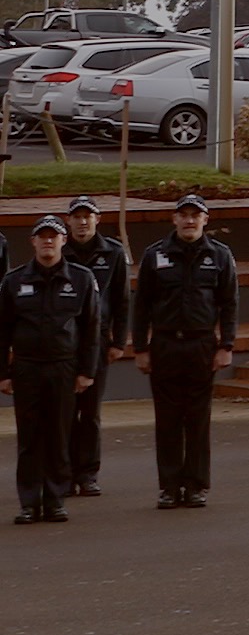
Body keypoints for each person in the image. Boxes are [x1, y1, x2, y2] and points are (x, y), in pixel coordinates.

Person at [129, 195, 239, 509]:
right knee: (167, 420)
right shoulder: (155, 255)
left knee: (197, 419)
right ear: (174, 219)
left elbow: (229, 303)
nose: (189, 221)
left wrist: (226, 345)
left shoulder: (219, 256)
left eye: (196, 215)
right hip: (164, 345)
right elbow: (142, 306)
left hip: (201, 345)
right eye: (184, 215)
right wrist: (140, 348)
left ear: (206, 220)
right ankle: (169, 486)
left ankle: (195, 485)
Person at [4, 219, 102, 525]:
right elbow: (1, 330)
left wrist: (86, 371)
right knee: (30, 438)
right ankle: (30, 502)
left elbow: (91, 330)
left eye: (54, 236)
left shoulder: (82, 279)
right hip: (27, 368)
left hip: (63, 366)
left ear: (63, 241)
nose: (48, 242)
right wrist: (3, 373)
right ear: (33, 242)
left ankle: (56, 499)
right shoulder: (14, 281)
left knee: (59, 435)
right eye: (42, 237)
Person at [55, 199, 124, 493]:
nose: (82, 223)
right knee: (65, 411)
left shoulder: (113, 253)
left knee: (91, 412)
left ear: (98, 219)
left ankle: (88, 473)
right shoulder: (59, 251)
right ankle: (65, 473)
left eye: (88, 217)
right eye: (77, 217)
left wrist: (119, 341)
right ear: (68, 221)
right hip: (64, 342)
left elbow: (122, 300)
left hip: (98, 341)